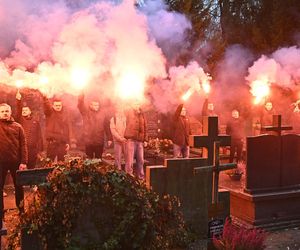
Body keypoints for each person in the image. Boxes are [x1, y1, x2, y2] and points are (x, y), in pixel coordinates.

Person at [0, 103, 27, 220]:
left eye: (7, 111)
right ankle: (1, 214)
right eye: (2, 111)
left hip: (16, 162)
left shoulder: (18, 127)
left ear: (10, 112)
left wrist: (23, 162)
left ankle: (21, 211)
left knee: (19, 186)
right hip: (0, 162)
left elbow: (23, 145)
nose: (5, 113)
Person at [77, 92, 112, 159]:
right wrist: (81, 95)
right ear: (90, 105)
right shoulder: (85, 112)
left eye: (98, 105)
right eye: (95, 105)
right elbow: (80, 105)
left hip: (99, 141)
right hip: (88, 141)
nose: (97, 107)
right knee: (89, 160)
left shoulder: (103, 114)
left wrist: (109, 138)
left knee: (98, 159)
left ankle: (98, 169)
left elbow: (106, 126)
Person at [15, 90, 43, 169]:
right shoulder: (19, 120)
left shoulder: (35, 122)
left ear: (30, 111)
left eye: (26, 110)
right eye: (23, 110)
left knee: (31, 168)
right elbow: (18, 109)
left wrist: (40, 150)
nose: (24, 111)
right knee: (20, 169)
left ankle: (31, 181)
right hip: (21, 149)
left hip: (32, 150)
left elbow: (39, 136)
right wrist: (18, 100)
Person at [42, 95, 70, 161]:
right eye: (56, 105)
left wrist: (67, 142)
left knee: (62, 165)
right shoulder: (49, 113)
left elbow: (67, 129)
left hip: (62, 144)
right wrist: (45, 98)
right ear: (53, 106)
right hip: (52, 143)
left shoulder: (65, 115)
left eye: (59, 105)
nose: (58, 107)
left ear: (61, 105)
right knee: (49, 163)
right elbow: (46, 106)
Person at [124, 101, 147, 179]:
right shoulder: (129, 112)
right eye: (135, 103)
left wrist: (145, 140)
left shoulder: (142, 114)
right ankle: (129, 177)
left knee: (141, 160)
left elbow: (145, 127)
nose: (137, 105)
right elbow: (125, 110)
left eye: (138, 103)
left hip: (140, 141)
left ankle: (141, 177)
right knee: (129, 160)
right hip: (131, 140)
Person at [110, 105, 127, 170]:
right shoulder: (113, 119)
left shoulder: (126, 118)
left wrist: (126, 137)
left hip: (126, 140)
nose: (121, 110)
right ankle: (118, 172)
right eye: (119, 109)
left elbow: (129, 128)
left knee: (128, 158)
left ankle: (128, 172)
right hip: (117, 141)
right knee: (118, 158)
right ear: (116, 110)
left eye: (122, 109)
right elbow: (113, 131)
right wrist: (120, 138)